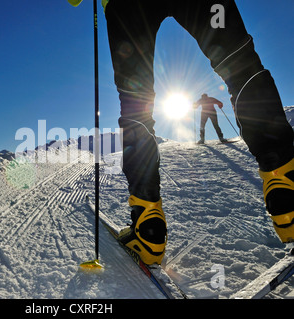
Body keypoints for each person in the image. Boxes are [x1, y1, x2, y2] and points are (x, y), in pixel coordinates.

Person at [69, 0, 294, 265]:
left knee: (135, 104)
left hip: (127, 7)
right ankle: (285, 183)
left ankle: (147, 226)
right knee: (240, 64)